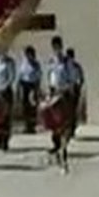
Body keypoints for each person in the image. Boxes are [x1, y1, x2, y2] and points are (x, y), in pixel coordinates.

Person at [42, 36, 74, 165]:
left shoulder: (67, 62)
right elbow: (48, 77)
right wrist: (48, 93)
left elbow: (72, 79)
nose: (56, 49)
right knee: (54, 123)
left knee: (64, 123)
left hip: (64, 93)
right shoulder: (51, 62)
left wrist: (67, 89)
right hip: (54, 93)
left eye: (58, 46)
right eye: (54, 47)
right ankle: (56, 145)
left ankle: (64, 147)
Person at [0, 49, 17, 151]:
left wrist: (4, 88)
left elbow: (11, 77)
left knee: (5, 117)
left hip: (6, 92)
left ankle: (5, 141)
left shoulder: (9, 63)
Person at [17, 45, 42, 133]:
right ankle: (26, 125)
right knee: (25, 106)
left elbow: (38, 77)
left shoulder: (36, 65)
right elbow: (20, 76)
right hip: (25, 86)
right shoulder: (23, 64)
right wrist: (18, 88)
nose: (29, 56)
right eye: (27, 54)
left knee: (32, 106)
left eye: (30, 54)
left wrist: (37, 89)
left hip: (32, 85)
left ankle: (32, 126)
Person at [65, 47, 85, 138]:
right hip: (66, 88)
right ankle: (67, 128)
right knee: (67, 110)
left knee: (73, 110)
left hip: (75, 89)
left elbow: (81, 78)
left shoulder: (77, 67)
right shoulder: (64, 66)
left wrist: (78, 86)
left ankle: (72, 128)